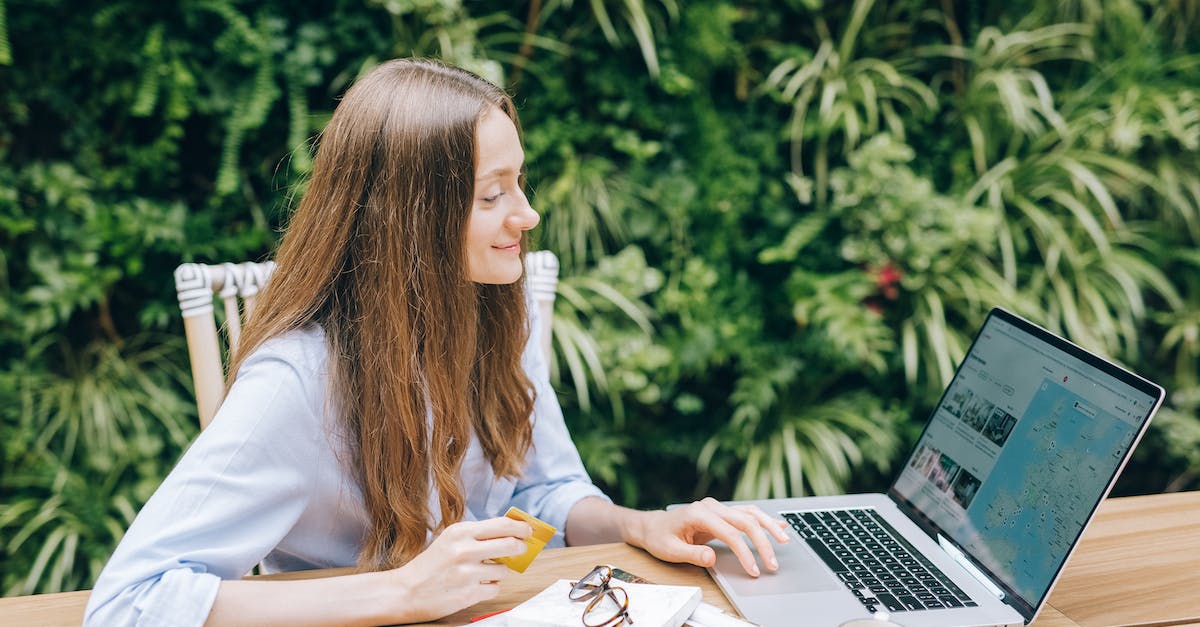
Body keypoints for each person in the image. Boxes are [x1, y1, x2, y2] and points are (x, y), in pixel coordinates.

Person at [84, 57, 789, 627]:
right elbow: (128, 602)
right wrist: (402, 592)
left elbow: (544, 488)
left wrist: (639, 525)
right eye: (492, 194)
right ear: (409, 219)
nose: (527, 214)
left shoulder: (496, 316)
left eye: (520, 183)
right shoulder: (297, 382)